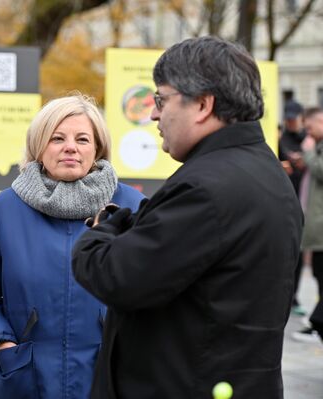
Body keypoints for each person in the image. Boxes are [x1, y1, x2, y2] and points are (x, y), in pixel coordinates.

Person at [72, 36, 303, 398]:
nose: (153, 113)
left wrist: (101, 232)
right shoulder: (263, 170)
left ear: (202, 104)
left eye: (161, 99)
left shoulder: (207, 187)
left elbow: (117, 276)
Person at [0, 94, 145, 399]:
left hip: (109, 377)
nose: (70, 147)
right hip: (26, 378)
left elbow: (154, 287)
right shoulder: (5, 209)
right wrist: (2, 344)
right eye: (57, 138)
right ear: (39, 147)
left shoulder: (130, 207)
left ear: (97, 149)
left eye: (82, 139)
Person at [291, 107, 323, 343]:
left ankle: (318, 323)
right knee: (318, 275)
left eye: (310, 128)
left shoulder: (315, 148)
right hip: (316, 228)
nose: (307, 134)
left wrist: (309, 155)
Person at [279, 99, 308, 316]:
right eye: (287, 118)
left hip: (304, 201)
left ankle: (295, 296)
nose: (290, 122)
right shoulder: (280, 139)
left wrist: (303, 161)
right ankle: (285, 296)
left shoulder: (308, 140)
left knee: (298, 254)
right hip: (285, 200)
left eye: (293, 119)